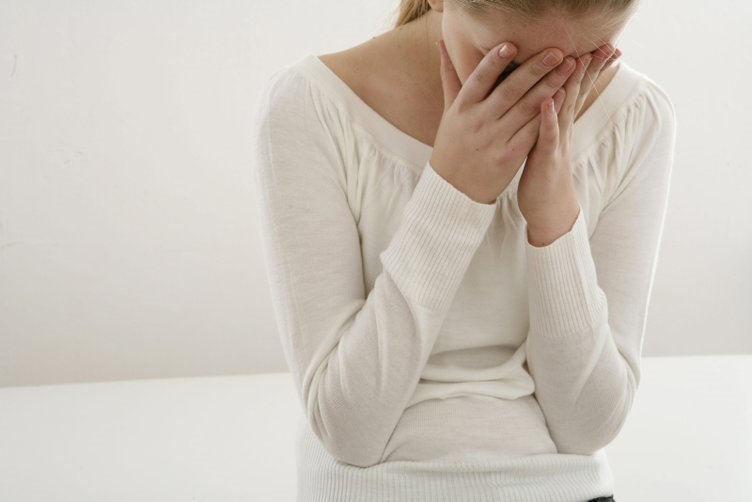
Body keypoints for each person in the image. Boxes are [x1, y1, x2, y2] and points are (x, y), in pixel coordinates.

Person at [250, 0, 675, 500]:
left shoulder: (635, 116)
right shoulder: (311, 107)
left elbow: (587, 428)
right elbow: (347, 428)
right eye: (506, 63)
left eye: (582, 64)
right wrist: (455, 191)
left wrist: (555, 216)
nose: (544, 95)